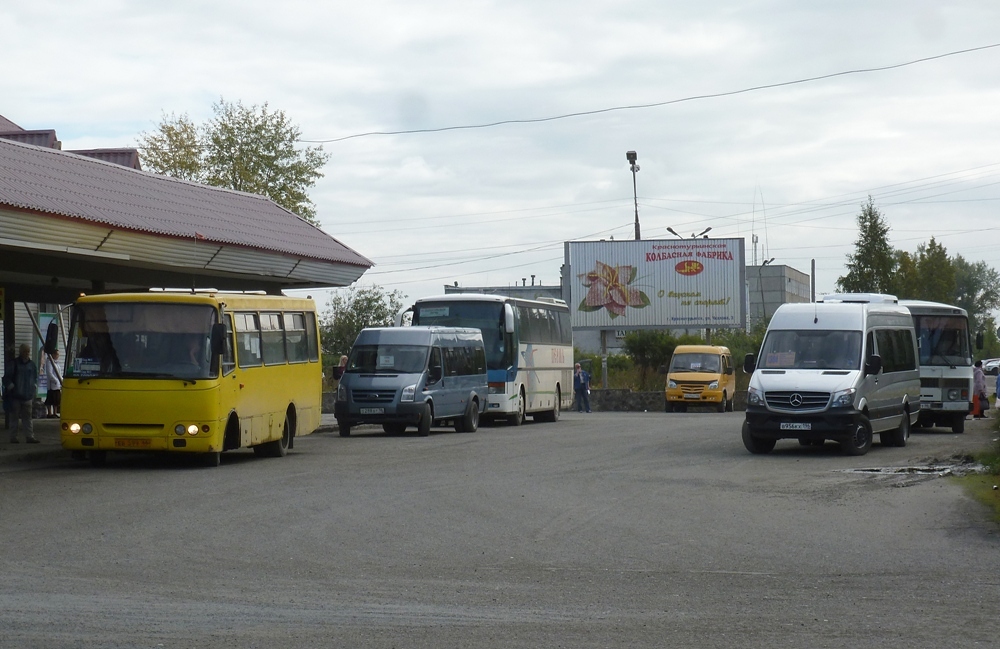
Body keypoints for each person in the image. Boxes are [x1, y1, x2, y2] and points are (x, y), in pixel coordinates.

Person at [5, 344, 39, 443]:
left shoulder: (31, 365)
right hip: (16, 396)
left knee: (27, 418)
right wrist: (12, 387)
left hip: (27, 396)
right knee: (15, 418)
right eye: (25, 351)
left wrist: (34, 386)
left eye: (28, 351)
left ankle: (29, 437)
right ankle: (14, 437)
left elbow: (35, 378)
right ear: (21, 352)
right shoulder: (14, 364)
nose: (27, 353)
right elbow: (6, 378)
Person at [44, 350, 62, 418]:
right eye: (57, 354)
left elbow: (59, 373)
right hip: (52, 384)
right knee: (50, 398)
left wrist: (61, 380)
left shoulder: (57, 363)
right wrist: (56, 380)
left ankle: (55, 412)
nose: (58, 356)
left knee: (56, 399)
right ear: (53, 354)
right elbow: (50, 373)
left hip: (57, 384)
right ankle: (49, 413)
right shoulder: (49, 362)